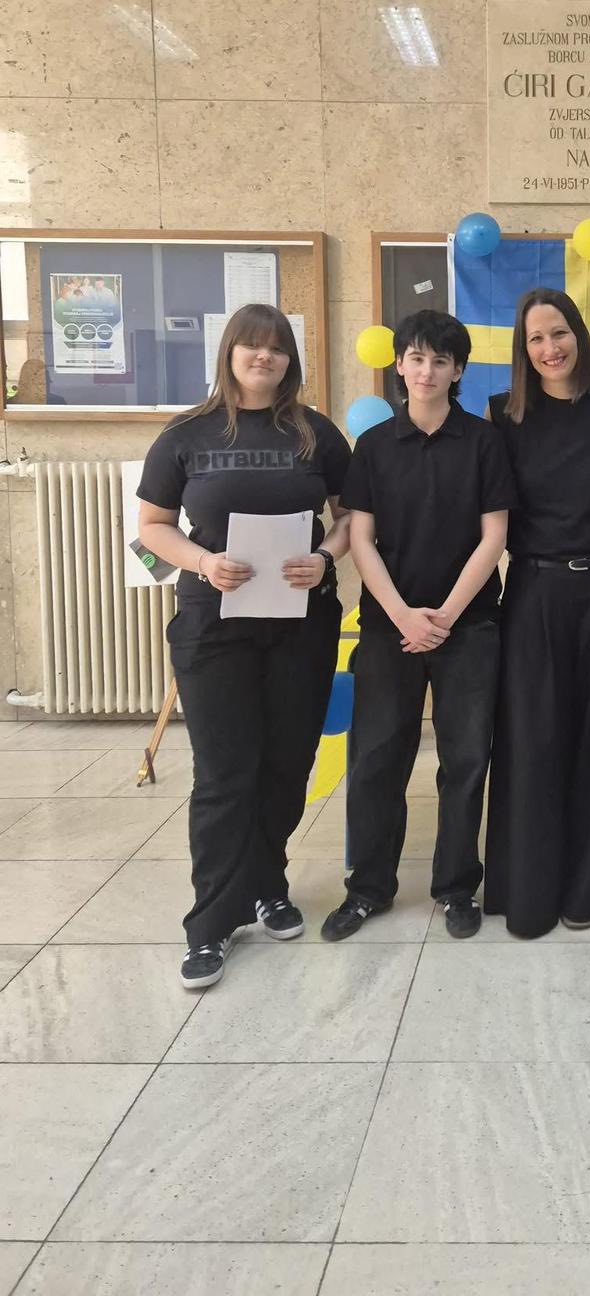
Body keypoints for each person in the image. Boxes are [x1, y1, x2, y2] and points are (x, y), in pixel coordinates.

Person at [138, 303, 351, 990]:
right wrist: (203, 562)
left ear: (291, 359)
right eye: (252, 346)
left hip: (301, 622)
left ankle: (268, 885)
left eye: (277, 348)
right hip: (214, 626)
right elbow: (153, 527)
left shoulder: (315, 432)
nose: (265, 357)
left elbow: (351, 518)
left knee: (287, 764)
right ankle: (210, 921)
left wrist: (325, 556)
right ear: (229, 352)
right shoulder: (187, 434)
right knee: (225, 773)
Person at [321, 311, 515, 943]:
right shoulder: (375, 446)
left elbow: (494, 537)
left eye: (440, 360)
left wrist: (446, 616)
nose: (426, 370)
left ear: (458, 371)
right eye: (416, 358)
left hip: (470, 624)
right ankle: (368, 888)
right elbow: (361, 538)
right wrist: (405, 615)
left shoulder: (484, 442)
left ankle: (456, 886)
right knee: (377, 757)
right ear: (399, 365)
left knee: (466, 759)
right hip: (389, 627)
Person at [484, 287, 590, 937]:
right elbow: (488, 512)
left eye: (559, 333)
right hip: (533, 593)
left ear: (579, 335)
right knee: (533, 742)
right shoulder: (503, 415)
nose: (550, 348)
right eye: (536, 338)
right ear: (522, 349)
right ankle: (529, 888)